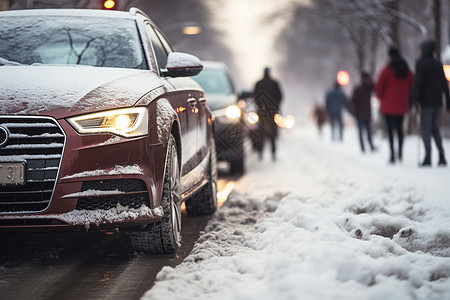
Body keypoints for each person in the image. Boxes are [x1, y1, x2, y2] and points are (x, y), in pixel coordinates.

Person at [412, 40, 450, 167]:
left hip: (426, 103)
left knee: (425, 129)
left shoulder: (421, 64)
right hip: (437, 102)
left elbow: (418, 84)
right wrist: (448, 102)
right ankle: (442, 156)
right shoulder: (438, 64)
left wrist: (414, 100)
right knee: (434, 129)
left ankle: (428, 157)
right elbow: (444, 85)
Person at [375, 47, 414, 164]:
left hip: (388, 105)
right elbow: (412, 84)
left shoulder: (386, 70)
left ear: (390, 56)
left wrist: (380, 97)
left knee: (390, 130)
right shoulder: (407, 70)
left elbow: (379, 87)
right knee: (399, 129)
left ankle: (392, 154)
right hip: (402, 105)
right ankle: (400, 152)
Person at [253, 67, 283, 161]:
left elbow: (255, 96)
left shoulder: (258, 83)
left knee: (261, 133)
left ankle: (260, 153)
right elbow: (280, 96)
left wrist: (259, 106)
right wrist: (276, 107)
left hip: (262, 112)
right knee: (272, 134)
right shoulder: (274, 83)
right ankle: (273, 153)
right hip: (272, 112)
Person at [350, 72, 376, 152]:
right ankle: (364, 146)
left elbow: (353, 101)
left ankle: (368, 145)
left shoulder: (367, 88)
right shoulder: (361, 89)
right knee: (363, 131)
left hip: (364, 113)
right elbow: (353, 101)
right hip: (361, 114)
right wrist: (354, 111)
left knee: (366, 131)